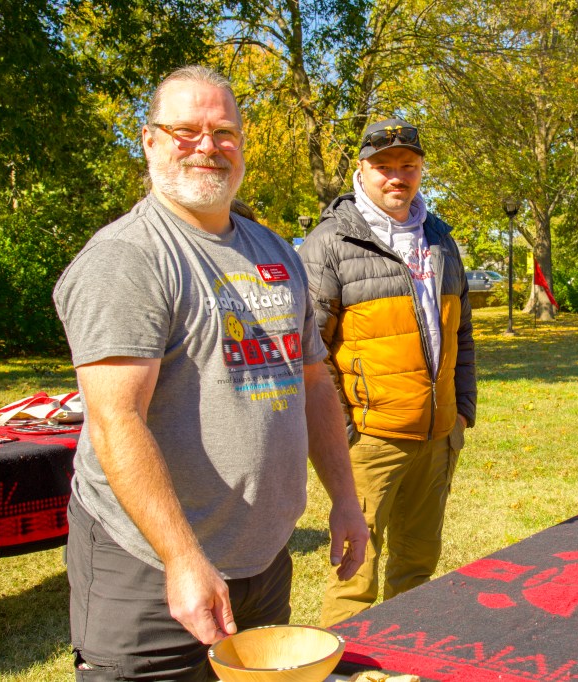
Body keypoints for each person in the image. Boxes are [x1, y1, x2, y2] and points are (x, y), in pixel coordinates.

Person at [53, 65, 368, 681]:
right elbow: (116, 421)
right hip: (146, 564)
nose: (207, 146)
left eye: (224, 132)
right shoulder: (128, 258)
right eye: (186, 130)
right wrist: (182, 559)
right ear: (149, 141)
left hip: (262, 557)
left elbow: (311, 383)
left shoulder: (274, 251)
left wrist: (346, 502)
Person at [297, 118, 477, 626]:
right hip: (370, 443)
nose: (396, 176)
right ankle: (343, 668)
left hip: (438, 439)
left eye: (408, 166)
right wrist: (347, 434)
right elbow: (310, 352)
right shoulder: (330, 242)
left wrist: (461, 413)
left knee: (418, 569)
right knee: (354, 578)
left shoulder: (439, 238)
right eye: (384, 167)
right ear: (362, 169)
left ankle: (403, 663)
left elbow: (461, 332)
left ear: (420, 170)